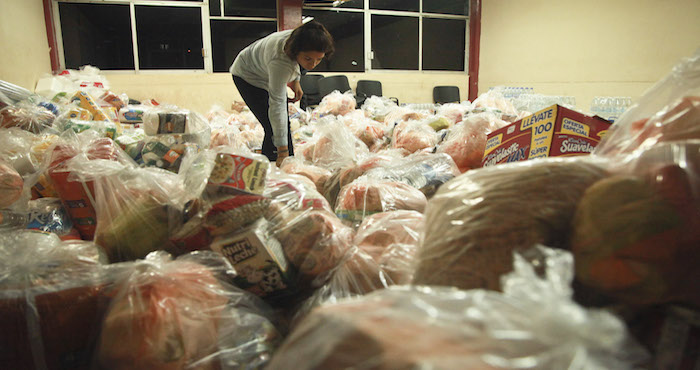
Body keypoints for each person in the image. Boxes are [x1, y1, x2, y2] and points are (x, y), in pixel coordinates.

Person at [230, 21, 334, 166]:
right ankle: (271, 171)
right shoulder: (280, 60)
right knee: (273, 127)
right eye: (308, 59)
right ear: (295, 52)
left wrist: (295, 81)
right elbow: (277, 106)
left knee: (282, 127)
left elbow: (298, 65)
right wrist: (282, 152)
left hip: (267, 69)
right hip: (248, 76)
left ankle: (284, 167)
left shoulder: (301, 43)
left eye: (319, 59)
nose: (312, 65)